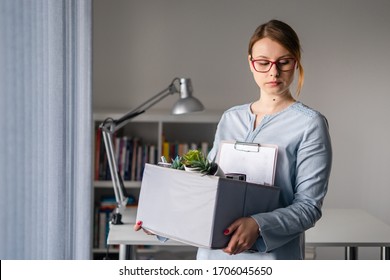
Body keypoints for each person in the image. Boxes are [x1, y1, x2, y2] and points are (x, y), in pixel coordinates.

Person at [135, 19, 332, 260]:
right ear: (250, 63)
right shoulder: (231, 118)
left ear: (296, 62)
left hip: (270, 258)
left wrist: (258, 224)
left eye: (284, 62)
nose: (274, 72)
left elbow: (308, 207)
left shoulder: (310, 124)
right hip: (213, 256)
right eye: (263, 62)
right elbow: (206, 188)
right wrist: (161, 219)